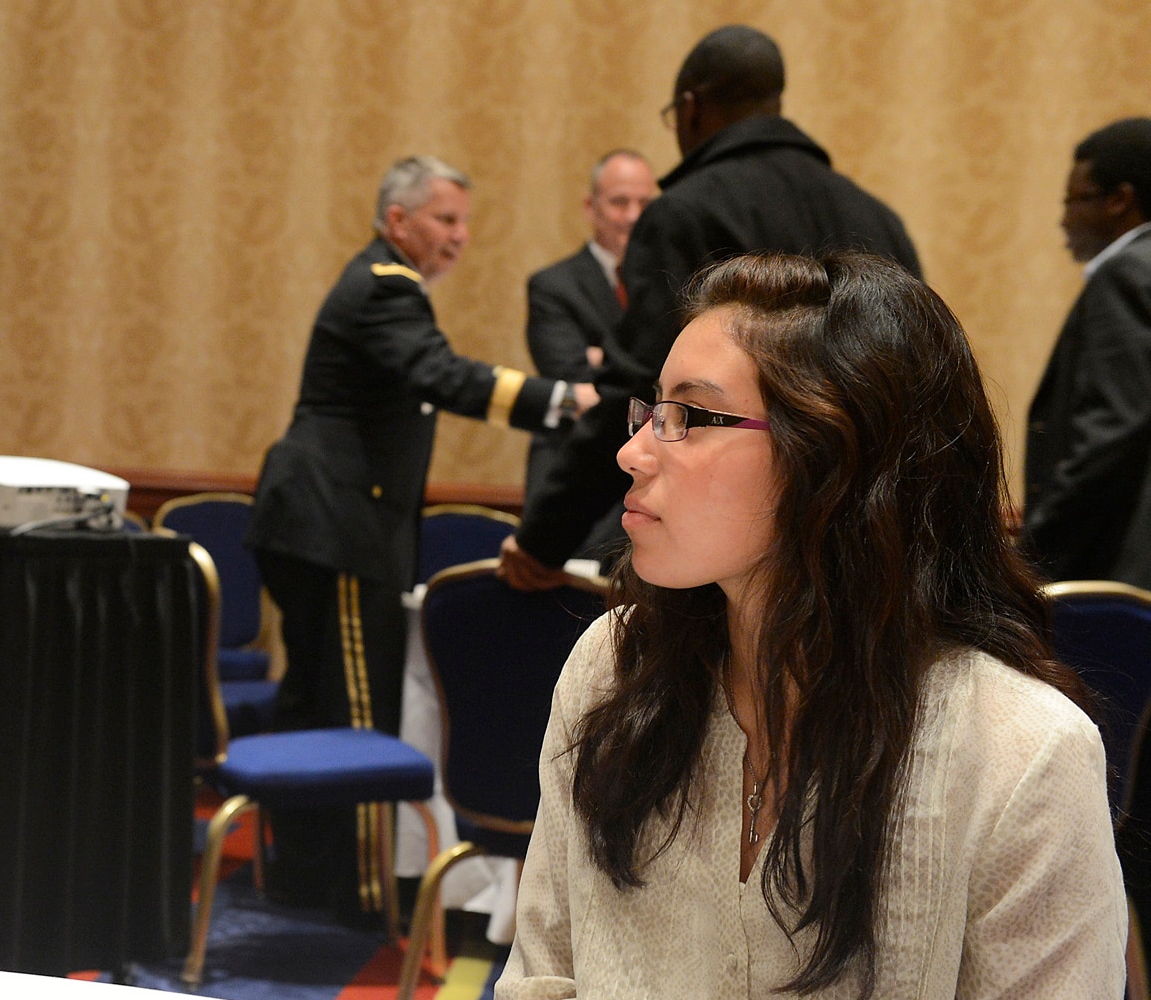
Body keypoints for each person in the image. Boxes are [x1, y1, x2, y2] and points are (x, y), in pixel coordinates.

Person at [486, 251, 1126, 1000]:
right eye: (644, 409)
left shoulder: (1018, 751)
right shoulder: (613, 672)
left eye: (687, 417)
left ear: (838, 455)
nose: (633, 451)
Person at [245, 154, 594, 916]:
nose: (460, 237)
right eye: (446, 219)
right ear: (398, 220)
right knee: (352, 707)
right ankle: (357, 892)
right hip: (335, 526)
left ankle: (311, 876)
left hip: (318, 522)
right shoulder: (386, 288)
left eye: (465, 223)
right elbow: (443, 375)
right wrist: (567, 398)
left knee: (318, 700)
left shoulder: (379, 281)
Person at [500, 24, 919, 591]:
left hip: (714, 561)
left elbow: (637, 391)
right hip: (862, 553)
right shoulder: (879, 219)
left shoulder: (684, 213)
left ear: (691, 108)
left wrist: (543, 541)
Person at [1021, 117, 1151, 585]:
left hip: (1120, 569)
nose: (1063, 219)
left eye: (1074, 200)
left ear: (1120, 200)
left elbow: (1111, 431)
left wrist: (1031, 554)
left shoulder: (1126, 276)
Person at [523, 148, 657, 551]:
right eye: (619, 202)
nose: (633, 215)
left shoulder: (668, 283)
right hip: (572, 481)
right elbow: (571, 374)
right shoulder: (553, 285)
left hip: (650, 483)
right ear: (591, 206)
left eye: (644, 203)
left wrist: (602, 356)